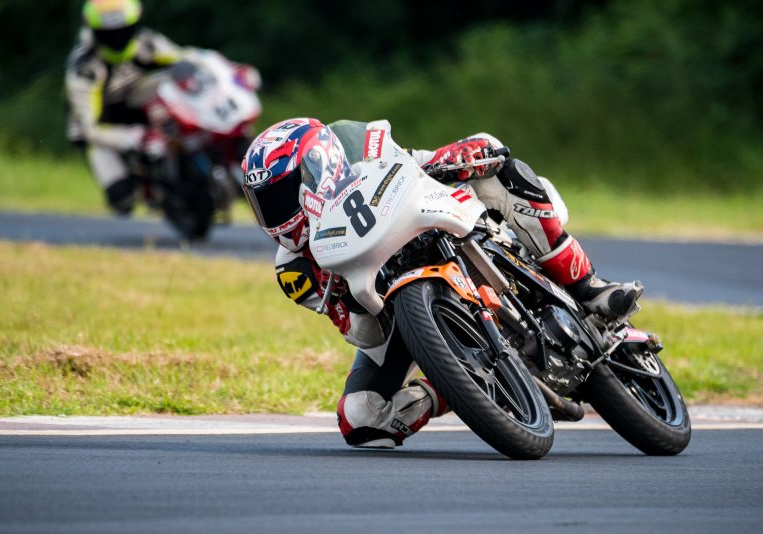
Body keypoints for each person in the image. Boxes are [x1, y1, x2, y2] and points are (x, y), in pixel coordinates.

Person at [242, 118, 643, 449]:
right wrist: (343, 293)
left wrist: (457, 158)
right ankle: (454, 386)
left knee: (497, 169)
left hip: (441, 224)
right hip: (397, 313)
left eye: (280, 196)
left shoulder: (359, 147)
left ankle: (590, 287)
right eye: (263, 202)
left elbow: (416, 162)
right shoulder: (294, 272)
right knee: (359, 418)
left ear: (319, 166)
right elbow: (369, 337)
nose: (273, 215)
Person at [65, 0, 260, 215]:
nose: (118, 38)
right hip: (102, 127)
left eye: (124, 30)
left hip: (135, 99)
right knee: (122, 198)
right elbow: (89, 129)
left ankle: (189, 146)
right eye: (109, 33)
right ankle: (150, 186)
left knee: (172, 82)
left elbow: (188, 57)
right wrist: (134, 137)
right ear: (94, 32)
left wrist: (233, 70)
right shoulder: (83, 70)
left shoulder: (145, 42)